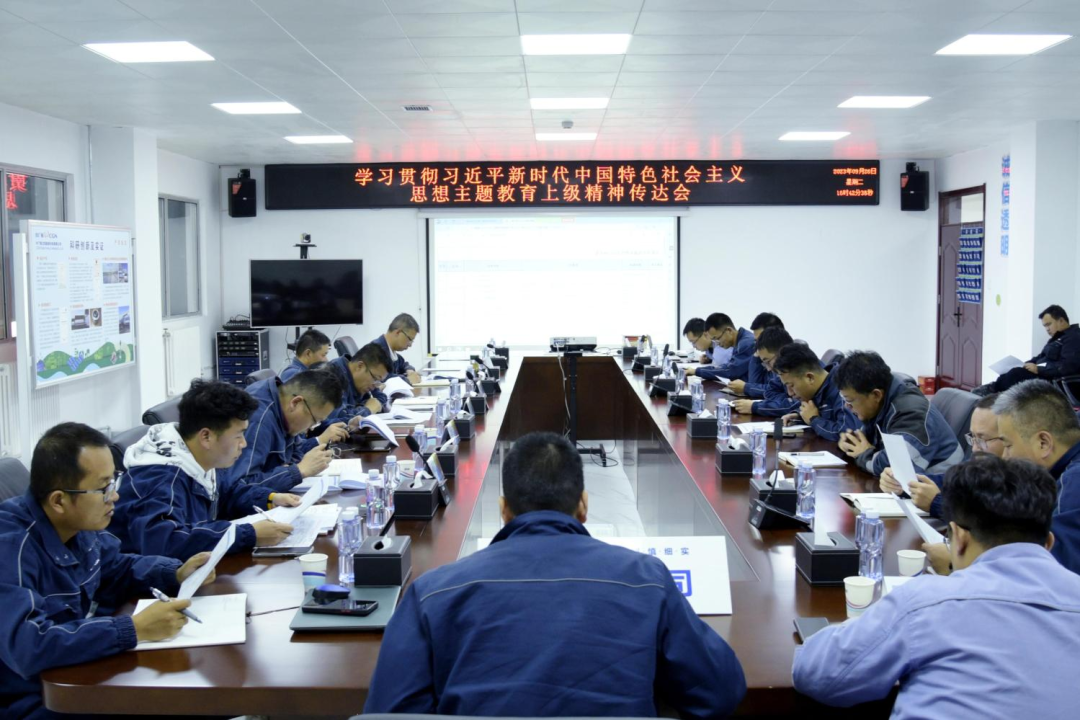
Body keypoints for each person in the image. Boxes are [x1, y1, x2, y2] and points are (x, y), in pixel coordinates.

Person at [364, 432, 746, 716]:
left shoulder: (432, 594)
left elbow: (390, 712)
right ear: (584, 505)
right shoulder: (647, 579)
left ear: (503, 510)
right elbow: (720, 691)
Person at [793, 455, 1080, 716]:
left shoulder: (926, 600)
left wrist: (856, 625)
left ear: (959, 537)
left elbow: (816, 673)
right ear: (1049, 542)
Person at [0, 423, 217, 720]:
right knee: (183, 701)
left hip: (74, 673)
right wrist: (133, 629)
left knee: (195, 684)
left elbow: (116, 567)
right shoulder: (10, 547)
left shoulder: (78, 524)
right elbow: (29, 646)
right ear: (59, 500)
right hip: (33, 700)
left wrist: (174, 573)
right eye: (103, 488)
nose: (114, 496)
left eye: (114, 481)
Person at [112, 380, 299, 561]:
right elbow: (167, 542)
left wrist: (270, 498)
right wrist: (247, 535)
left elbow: (227, 493)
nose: (244, 443)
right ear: (206, 437)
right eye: (238, 435)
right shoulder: (161, 479)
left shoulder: (198, 456)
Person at [991, 380, 1080, 574]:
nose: (1004, 457)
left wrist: (966, 560)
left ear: (1043, 443)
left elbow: (1049, 568)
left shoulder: (1073, 483)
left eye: (1008, 445)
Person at [834, 351, 963, 476]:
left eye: (850, 400)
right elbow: (868, 441)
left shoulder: (911, 413)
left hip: (942, 483)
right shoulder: (882, 399)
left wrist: (863, 454)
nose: (846, 406)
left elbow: (897, 468)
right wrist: (851, 443)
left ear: (876, 395)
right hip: (912, 483)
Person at [220, 369, 346, 493]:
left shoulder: (284, 407)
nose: (312, 427)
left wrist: (302, 465)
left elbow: (295, 453)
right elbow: (238, 487)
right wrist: (299, 471)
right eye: (315, 420)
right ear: (295, 403)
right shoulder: (259, 420)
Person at [880, 393, 1002, 520]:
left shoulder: (1014, 484)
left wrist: (936, 503)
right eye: (973, 437)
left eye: (982, 439)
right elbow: (949, 481)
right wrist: (902, 482)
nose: (975, 448)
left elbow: (988, 519)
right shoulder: (983, 466)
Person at [975, 304, 1080, 394]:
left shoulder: (1074, 338)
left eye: (1049, 324)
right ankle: (992, 389)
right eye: (1045, 326)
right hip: (1046, 376)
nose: (1047, 329)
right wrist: (1025, 364)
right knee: (1012, 371)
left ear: (1061, 320)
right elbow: (1041, 357)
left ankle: (992, 390)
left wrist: (1039, 369)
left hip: (1056, 382)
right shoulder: (1057, 338)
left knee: (1016, 374)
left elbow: (1068, 366)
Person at [774, 343, 859, 441]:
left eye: (791, 386)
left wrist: (813, 419)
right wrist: (800, 417)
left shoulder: (843, 386)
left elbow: (847, 434)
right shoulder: (817, 388)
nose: (790, 393)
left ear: (810, 378)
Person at [731, 327, 799, 418]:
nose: (768, 369)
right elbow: (770, 392)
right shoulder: (782, 371)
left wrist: (755, 406)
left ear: (782, 352)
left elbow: (797, 405)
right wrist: (786, 400)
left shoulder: (800, 370)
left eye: (768, 361)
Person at [324, 341, 392, 423]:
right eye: (375, 378)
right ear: (360, 366)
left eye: (379, 381)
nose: (376, 385)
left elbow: (380, 399)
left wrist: (375, 402)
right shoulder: (332, 376)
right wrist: (368, 409)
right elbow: (340, 418)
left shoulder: (360, 381)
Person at [687, 313, 755, 383]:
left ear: (729, 331)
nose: (717, 344)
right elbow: (728, 367)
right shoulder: (739, 341)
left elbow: (731, 371)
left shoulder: (746, 343)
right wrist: (698, 370)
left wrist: (697, 371)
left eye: (717, 338)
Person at [730, 312, 784, 398]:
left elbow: (776, 391)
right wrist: (755, 357)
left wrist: (746, 387)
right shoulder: (763, 355)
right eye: (756, 341)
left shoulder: (785, 359)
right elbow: (754, 383)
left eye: (760, 339)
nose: (758, 344)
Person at [372, 313, 422, 385]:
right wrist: (407, 380)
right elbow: (383, 379)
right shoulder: (375, 351)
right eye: (409, 339)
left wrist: (409, 370)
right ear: (398, 332)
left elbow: (404, 364)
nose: (410, 345)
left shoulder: (391, 351)